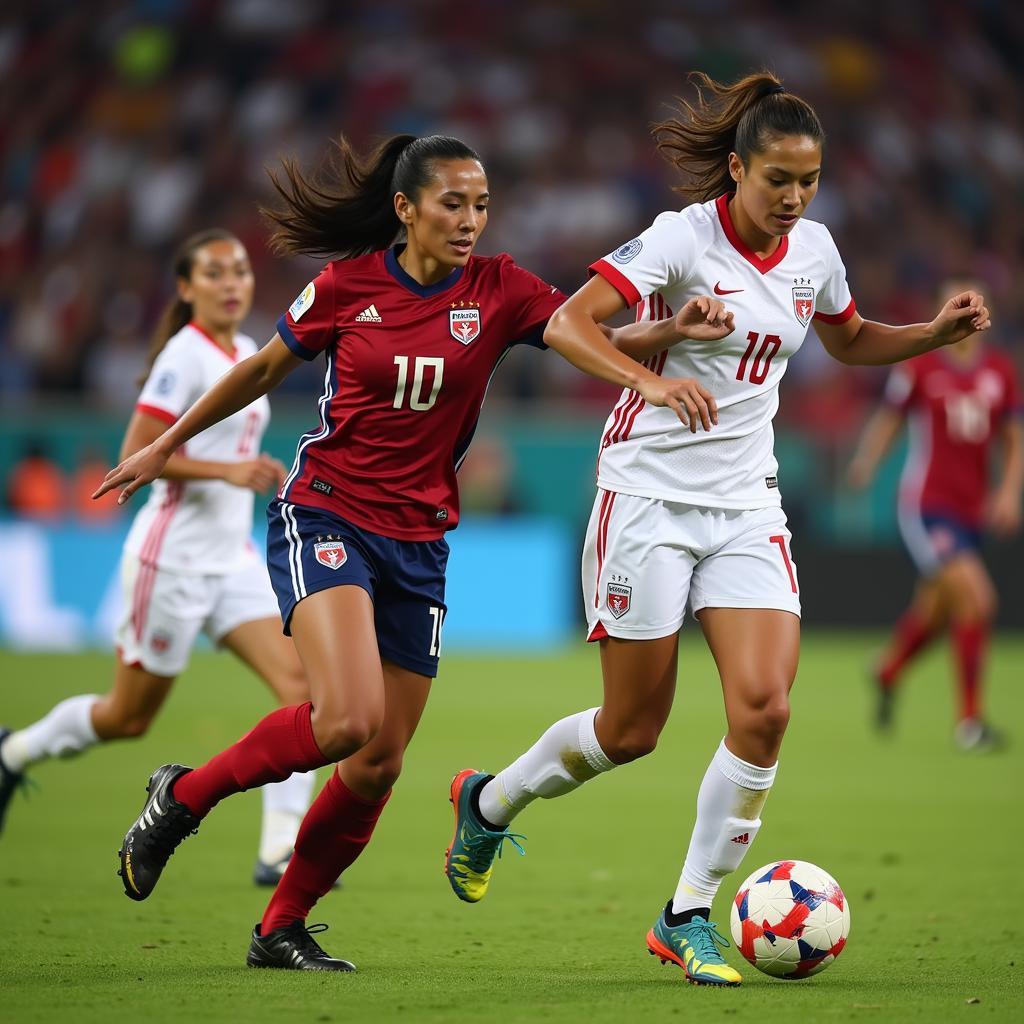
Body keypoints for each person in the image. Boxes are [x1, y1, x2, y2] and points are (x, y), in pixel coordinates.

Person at [93, 134, 721, 972]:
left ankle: (280, 927)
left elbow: (578, 338)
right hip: (326, 514)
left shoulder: (500, 289)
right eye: (453, 204)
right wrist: (163, 445)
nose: (470, 221)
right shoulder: (347, 286)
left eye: (481, 205)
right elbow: (262, 371)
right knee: (346, 719)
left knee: (379, 760)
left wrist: (667, 333)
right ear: (406, 208)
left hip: (420, 539)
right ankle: (182, 798)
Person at [442, 71, 992, 987]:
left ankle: (687, 910)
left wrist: (931, 333)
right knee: (631, 729)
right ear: (736, 169)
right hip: (647, 496)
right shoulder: (678, 239)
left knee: (766, 709)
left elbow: (847, 339)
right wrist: (656, 378)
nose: (794, 197)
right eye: (778, 178)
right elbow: (572, 326)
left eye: (808, 180)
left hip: (745, 502)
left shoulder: (813, 251)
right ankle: (489, 802)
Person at [0, 230, 318, 887]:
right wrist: (226, 472)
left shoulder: (247, 352)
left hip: (230, 560)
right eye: (214, 273)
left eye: (239, 271)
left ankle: (279, 849)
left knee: (303, 689)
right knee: (127, 717)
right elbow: (139, 449)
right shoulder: (184, 356)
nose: (231, 283)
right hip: (169, 561)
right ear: (185, 288)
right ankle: (15, 750)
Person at [847, 280, 1021, 750]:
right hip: (928, 506)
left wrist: (1008, 492)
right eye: (958, 303)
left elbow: (1013, 435)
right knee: (978, 601)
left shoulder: (1000, 371)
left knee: (938, 611)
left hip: (973, 507)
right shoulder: (921, 366)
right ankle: (970, 722)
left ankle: (887, 670)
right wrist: (866, 462)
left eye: (975, 304)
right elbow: (890, 419)